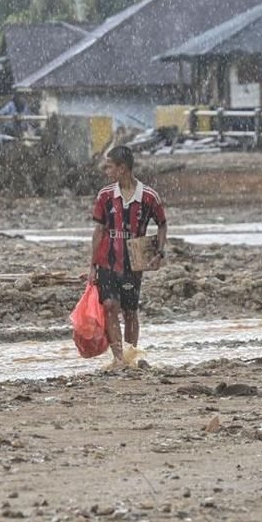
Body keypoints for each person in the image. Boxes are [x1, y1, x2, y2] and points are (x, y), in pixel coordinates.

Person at [88, 145, 167, 367]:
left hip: (134, 261)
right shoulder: (105, 196)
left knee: (130, 310)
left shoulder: (149, 197)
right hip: (107, 259)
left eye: (110, 166)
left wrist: (159, 252)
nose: (106, 171)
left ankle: (131, 355)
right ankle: (119, 358)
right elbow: (98, 231)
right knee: (110, 305)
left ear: (122, 168)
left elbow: (162, 224)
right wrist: (92, 265)